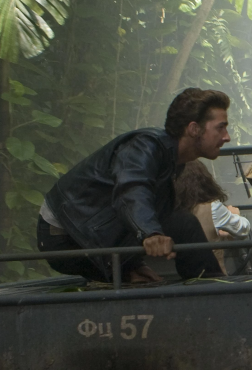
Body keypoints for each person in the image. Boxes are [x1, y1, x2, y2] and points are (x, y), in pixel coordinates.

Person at [37, 89, 231, 282]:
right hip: (65, 235)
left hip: (99, 230)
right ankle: (214, 291)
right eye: (220, 128)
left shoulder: (173, 159)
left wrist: (133, 264)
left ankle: (211, 288)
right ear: (194, 129)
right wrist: (151, 234)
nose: (226, 137)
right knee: (183, 224)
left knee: (183, 224)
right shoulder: (144, 146)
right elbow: (132, 191)